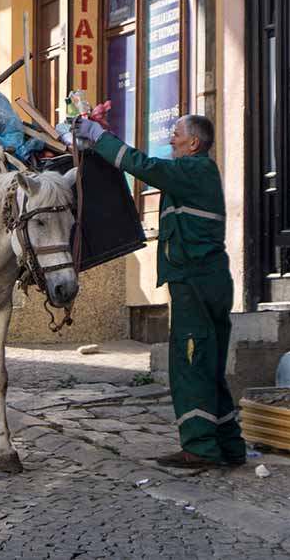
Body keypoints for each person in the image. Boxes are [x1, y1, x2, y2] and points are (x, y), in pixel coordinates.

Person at [67, 114, 247, 469]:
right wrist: (101, 145)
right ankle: (228, 445)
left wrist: (100, 137)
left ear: (194, 143)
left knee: (190, 363)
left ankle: (200, 449)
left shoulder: (195, 170)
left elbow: (142, 165)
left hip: (194, 281)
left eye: (176, 135)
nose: (171, 141)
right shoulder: (193, 175)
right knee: (208, 365)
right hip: (205, 280)